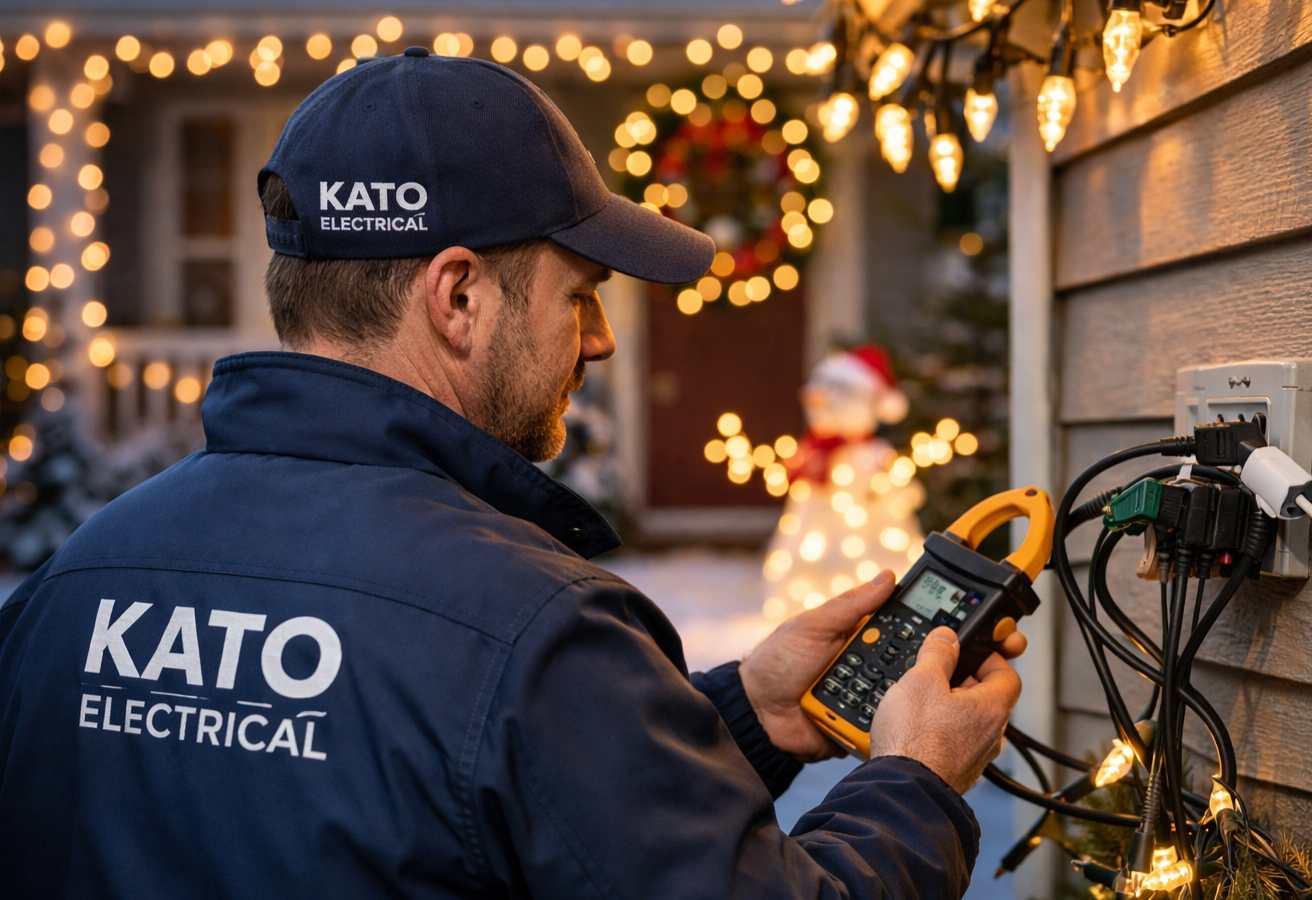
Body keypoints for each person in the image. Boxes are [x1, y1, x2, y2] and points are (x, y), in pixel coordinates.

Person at [0, 49, 1023, 898]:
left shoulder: (71, 588)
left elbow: (462, 787)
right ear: (458, 297)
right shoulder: (536, 631)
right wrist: (917, 781)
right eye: (579, 293)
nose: (602, 340)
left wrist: (750, 712)